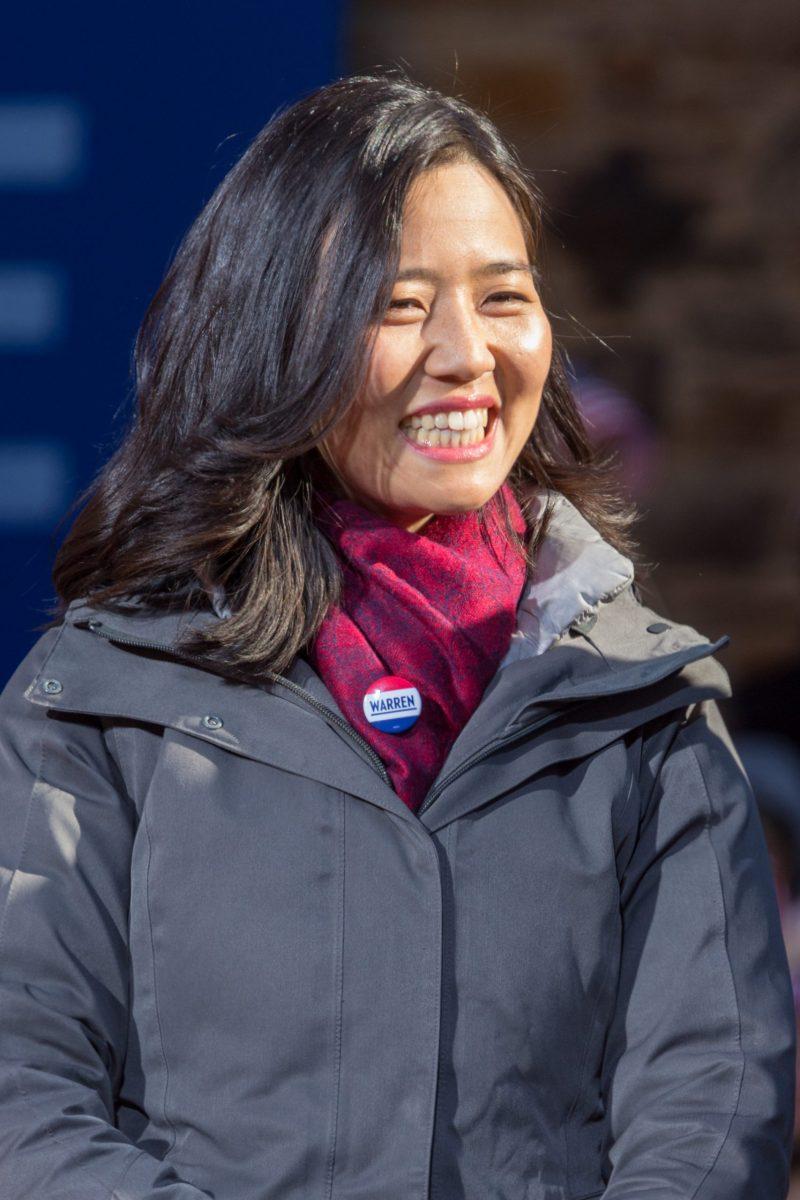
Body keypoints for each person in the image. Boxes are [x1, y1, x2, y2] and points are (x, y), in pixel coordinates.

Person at [0, 71, 794, 1200]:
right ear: (274, 336)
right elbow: (24, 1094)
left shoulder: (647, 709)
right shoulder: (99, 703)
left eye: (503, 297)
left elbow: (711, 1108)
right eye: (398, 303)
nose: (467, 354)